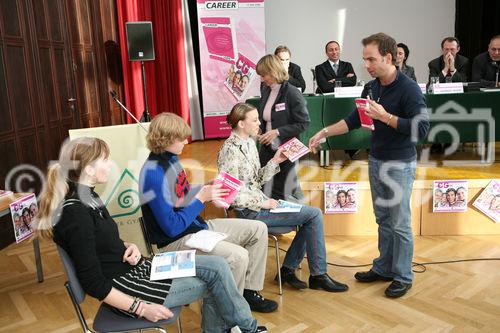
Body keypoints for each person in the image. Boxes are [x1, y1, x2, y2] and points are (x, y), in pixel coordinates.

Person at [33, 137, 267, 333]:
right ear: (88, 168)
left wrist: (127, 246)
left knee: (218, 265)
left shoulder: (88, 197)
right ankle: (249, 327)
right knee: (217, 281)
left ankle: (243, 328)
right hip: (130, 287)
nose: (109, 163)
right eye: (105, 159)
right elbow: (93, 283)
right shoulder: (75, 213)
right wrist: (140, 309)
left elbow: (101, 242)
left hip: (139, 268)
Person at [309, 32, 430, 298]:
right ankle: (384, 267)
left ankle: (403, 275)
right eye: (365, 59)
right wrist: (324, 132)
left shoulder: (408, 88)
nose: (366, 65)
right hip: (376, 160)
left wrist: (386, 117)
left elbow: (421, 128)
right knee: (383, 219)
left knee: (399, 223)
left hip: (400, 165)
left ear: (389, 57)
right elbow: (354, 119)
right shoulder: (372, 87)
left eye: (371, 59)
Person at [139, 113, 278, 313]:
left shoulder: (171, 159)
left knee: (258, 229)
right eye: (181, 138)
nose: (186, 141)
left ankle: (247, 294)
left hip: (195, 228)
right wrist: (201, 198)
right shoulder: (152, 173)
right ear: (165, 139)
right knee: (238, 257)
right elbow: (171, 227)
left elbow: (182, 195)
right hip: (175, 241)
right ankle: (229, 316)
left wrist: (204, 187)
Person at [218, 102, 349, 293]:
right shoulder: (229, 151)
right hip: (251, 213)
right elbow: (229, 197)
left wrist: (275, 160)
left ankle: (293, 272)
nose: (259, 125)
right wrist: (262, 202)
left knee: (312, 217)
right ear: (241, 124)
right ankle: (313, 274)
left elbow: (255, 180)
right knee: (313, 216)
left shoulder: (249, 143)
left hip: (261, 205)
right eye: (254, 120)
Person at [256, 54, 310, 201]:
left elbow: (304, 123)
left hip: (286, 150)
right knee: (265, 186)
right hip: (267, 148)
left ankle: (298, 217)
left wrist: (278, 131)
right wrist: (260, 130)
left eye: (263, 75)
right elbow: (266, 118)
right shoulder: (266, 90)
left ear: (273, 71)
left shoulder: (292, 93)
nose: (261, 79)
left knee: (285, 191)